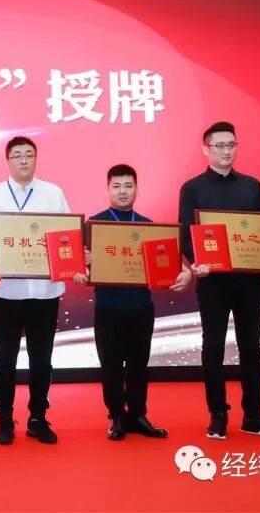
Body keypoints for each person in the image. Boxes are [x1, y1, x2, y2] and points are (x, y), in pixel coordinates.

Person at [178, 121, 260, 440]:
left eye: (231, 145)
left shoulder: (252, 186)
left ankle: (254, 415)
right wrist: (196, 262)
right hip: (213, 281)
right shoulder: (193, 188)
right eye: (220, 146)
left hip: (249, 280)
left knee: (251, 346)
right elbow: (186, 232)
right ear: (206, 149)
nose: (226, 151)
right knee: (213, 346)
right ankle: (218, 413)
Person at [76, 164, 192, 440]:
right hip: (108, 307)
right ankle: (116, 415)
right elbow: (78, 266)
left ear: (137, 190)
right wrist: (82, 264)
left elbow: (171, 262)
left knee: (139, 363)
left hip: (141, 307)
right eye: (116, 186)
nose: (123, 191)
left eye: (128, 186)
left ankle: (138, 414)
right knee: (111, 364)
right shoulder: (94, 225)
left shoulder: (148, 226)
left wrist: (186, 274)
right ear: (108, 190)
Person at [0, 136, 69, 445]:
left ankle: (38, 418)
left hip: (45, 291)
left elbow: (67, 237)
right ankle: (4, 418)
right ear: (8, 161)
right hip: (7, 291)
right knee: (5, 360)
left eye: (29, 154)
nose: (24, 160)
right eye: (17, 155)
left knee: (42, 360)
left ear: (36, 158)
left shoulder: (53, 193)